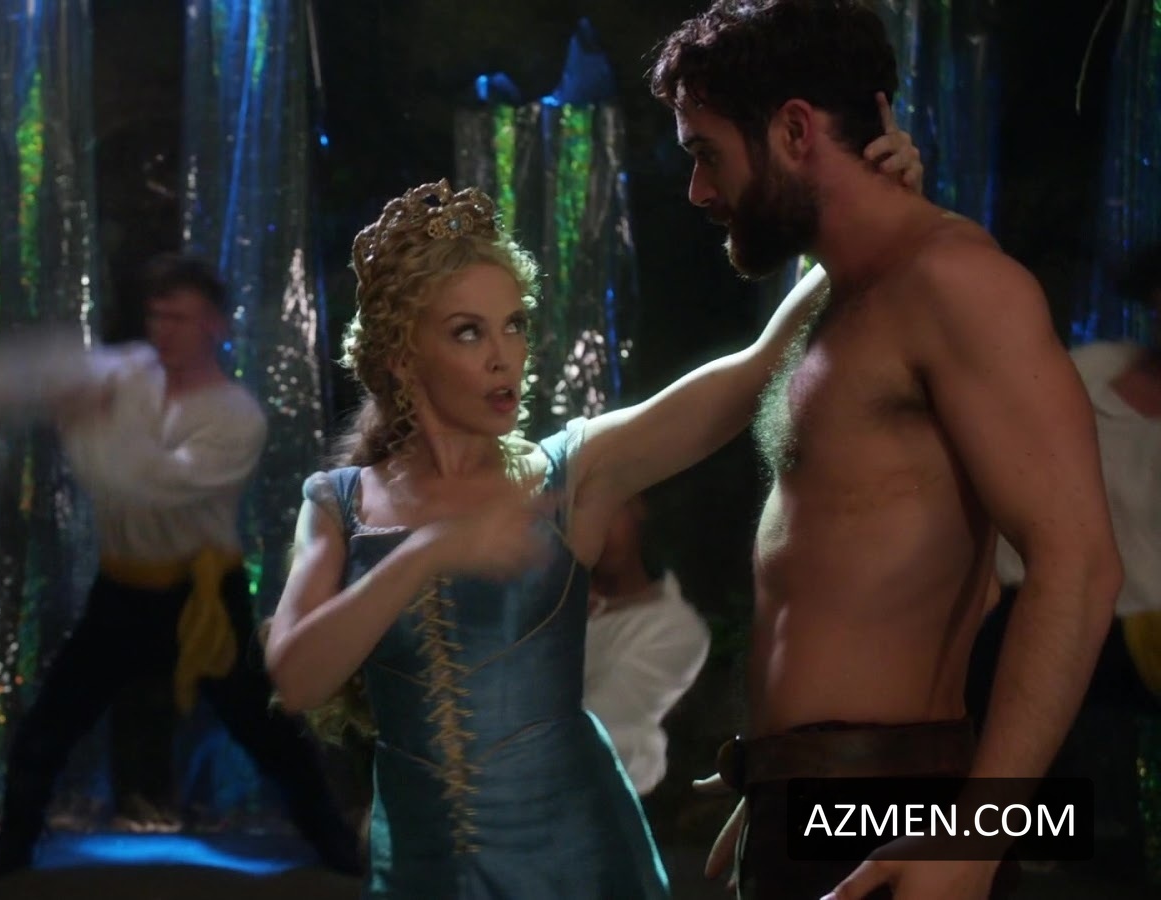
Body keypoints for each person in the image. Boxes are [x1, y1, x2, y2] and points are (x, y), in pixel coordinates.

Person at [264, 117, 920, 897]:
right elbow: (297, 680)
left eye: (513, 325)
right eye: (468, 333)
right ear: (403, 356)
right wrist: (430, 551)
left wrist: (871, 210)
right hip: (421, 872)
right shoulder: (338, 504)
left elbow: (754, 371)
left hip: (574, 862)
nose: (504, 356)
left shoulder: (570, 473)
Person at [649, 2, 1124, 898]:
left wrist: (976, 836)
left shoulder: (957, 284)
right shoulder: (837, 297)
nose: (700, 192)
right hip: (818, 807)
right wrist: (785, 777)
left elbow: (1081, 565)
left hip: (903, 812)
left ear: (794, 130)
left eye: (707, 153)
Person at [0, 254, 361, 881]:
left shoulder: (236, 416)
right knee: (53, 719)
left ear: (215, 325)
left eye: (182, 317)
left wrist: (85, 422)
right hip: (124, 587)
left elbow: (149, 486)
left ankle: (331, 839)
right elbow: (35, 370)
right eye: (157, 316)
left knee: (266, 730)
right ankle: (14, 839)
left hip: (203, 592)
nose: (165, 330)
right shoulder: (129, 372)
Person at [968, 241, 1161, 877]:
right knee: (996, 648)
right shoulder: (1088, 374)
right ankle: (1010, 836)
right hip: (1051, 601)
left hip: (1147, 630)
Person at [582, 496, 710, 797]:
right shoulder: (539, 603)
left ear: (636, 504)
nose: (596, 528)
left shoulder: (675, 629)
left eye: (606, 508)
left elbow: (600, 733)